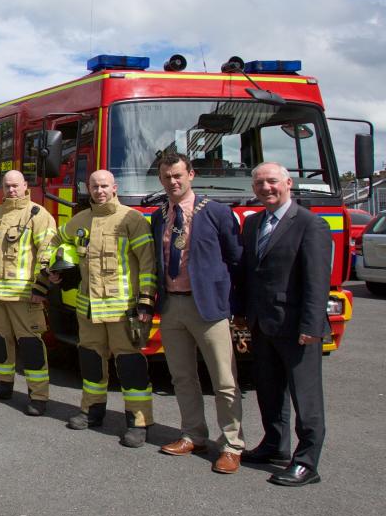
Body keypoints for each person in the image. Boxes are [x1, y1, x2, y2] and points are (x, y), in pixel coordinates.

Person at [235, 162, 330, 487]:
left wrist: (312, 326)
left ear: (288, 183)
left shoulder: (310, 224)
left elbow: (318, 282)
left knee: (306, 398)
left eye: (272, 181)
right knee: (269, 390)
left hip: (298, 328)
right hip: (263, 324)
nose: (266, 188)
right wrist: (244, 314)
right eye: (260, 183)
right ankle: (275, 445)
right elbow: (250, 274)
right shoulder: (253, 224)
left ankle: (306, 462)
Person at [150, 154, 244, 473]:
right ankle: (193, 434)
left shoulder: (217, 212)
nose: (172, 182)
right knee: (182, 376)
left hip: (208, 307)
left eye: (177, 175)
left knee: (224, 380)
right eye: (166, 178)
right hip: (172, 305)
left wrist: (234, 307)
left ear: (191, 174)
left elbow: (235, 260)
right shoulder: (159, 215)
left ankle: (232, 444)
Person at [50, 170, 156, 447]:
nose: (99, 190)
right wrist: (57, 266)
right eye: (94, 186)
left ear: (114, 188)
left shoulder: (131, 219)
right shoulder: (80, 220)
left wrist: (146, 299)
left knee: (130, 364)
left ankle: (138, 422)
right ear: (89, 187)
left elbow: (147, 262)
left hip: (123, 308)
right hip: (88, 309)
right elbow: (54, 242)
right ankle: (91, 410)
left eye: (104, 186)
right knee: (91, 361)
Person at [0, 170, 58, 416]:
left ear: (25, 186)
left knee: (31, 346)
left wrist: (41, 287)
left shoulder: (37, 214)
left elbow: (47, 252)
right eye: (7, 186)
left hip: (25, 295)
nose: (11, 190)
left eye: (15, 186)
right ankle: (1, 386)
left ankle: (39, 396)